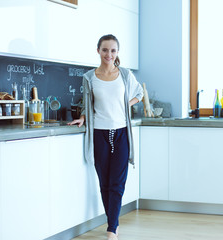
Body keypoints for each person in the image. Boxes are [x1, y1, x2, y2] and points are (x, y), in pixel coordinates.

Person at [68, 34, 143, 240]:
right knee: (105, 183)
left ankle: (112, 228)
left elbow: (139, 94)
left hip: (121, 133)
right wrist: (82, 117)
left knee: (117, 183)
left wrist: (127, 105)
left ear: (117, 52)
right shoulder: (89, 77)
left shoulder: (126, 75)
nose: (108, 54)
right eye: (105, 50)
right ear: (98, 51)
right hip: (98, 133)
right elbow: (87, 103)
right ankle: (113, 223)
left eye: (112, 50)